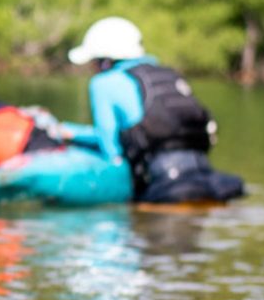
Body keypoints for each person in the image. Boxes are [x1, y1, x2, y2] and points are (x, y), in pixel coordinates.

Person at [66, 17, 244, 203]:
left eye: (93, 62)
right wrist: (73, 134)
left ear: (105, 61)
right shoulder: (165, 73)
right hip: (207, 178)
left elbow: (111, 149)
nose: (92, 68)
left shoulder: (103, 83)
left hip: (163, 188)